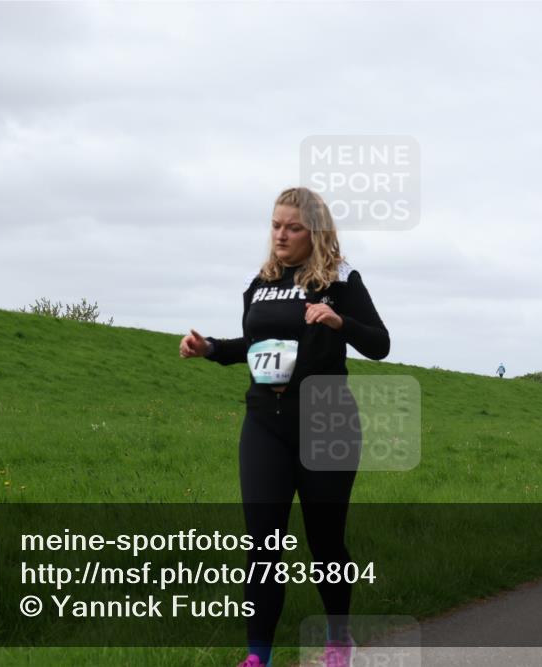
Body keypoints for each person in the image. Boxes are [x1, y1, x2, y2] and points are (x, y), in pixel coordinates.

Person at [179, 187, 389, 667]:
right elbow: (252, 345)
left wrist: (340, 322)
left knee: (326, 542)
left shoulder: (340, 279)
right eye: (275, 225)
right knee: (263, 544)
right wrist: (210, 348)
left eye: (293, 227)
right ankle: (258, 656)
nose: (281, 235)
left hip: (326, 422)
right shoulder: (260, 282)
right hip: (264, 423)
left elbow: (380, 343)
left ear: (315, 232)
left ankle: (338, 642)